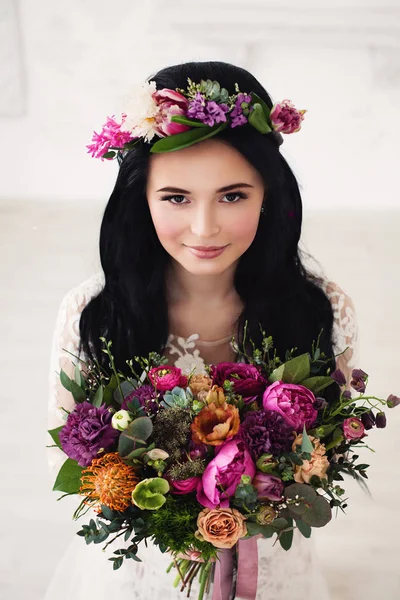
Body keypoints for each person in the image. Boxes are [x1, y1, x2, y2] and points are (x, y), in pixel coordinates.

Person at [46, 61, 358, 599]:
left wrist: (257, 503)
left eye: (233, 196)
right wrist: (174, 521)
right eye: (176, 198)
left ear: (269, 197)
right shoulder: (92, 314)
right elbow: (66, 456)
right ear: (141, 200)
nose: (204, 228)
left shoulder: (321, 310)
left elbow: (328, 448)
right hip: (142, 570)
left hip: (275, 568)